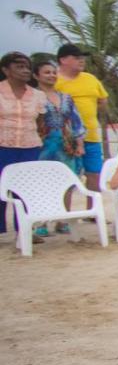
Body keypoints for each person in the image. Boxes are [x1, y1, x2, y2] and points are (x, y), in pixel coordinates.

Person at [34, 60, 86, 236]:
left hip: (65, 143)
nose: (51, 75)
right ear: (36, 76)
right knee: (40, 183)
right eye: (46, 72)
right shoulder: (32, 96)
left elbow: (76, 122)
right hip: (42, 144)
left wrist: (79, 144)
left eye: (53, 72)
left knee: (66, 181)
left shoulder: (66, 97)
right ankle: (40, 221)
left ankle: (62, 219)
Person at [55, 43, 109, 196]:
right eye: (77, 57)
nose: (81, 60)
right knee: (67, 176)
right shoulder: (55, 80)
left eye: (82, 58)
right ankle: (63, 215)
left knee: (95, 174)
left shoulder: (90, 79)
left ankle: (93, 212)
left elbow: (103, 100)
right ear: (63, 60)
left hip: (91, 135)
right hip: (66, 138)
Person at [0, 52, 43, 235]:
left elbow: (40, 123)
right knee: (1, 189)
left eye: (27, 67)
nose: (25, 70)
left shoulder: (38, 95)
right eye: (19, 66)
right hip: (2, 146)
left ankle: (24, 231)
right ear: (6, 70)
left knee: (25, 190)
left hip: (30, 147)